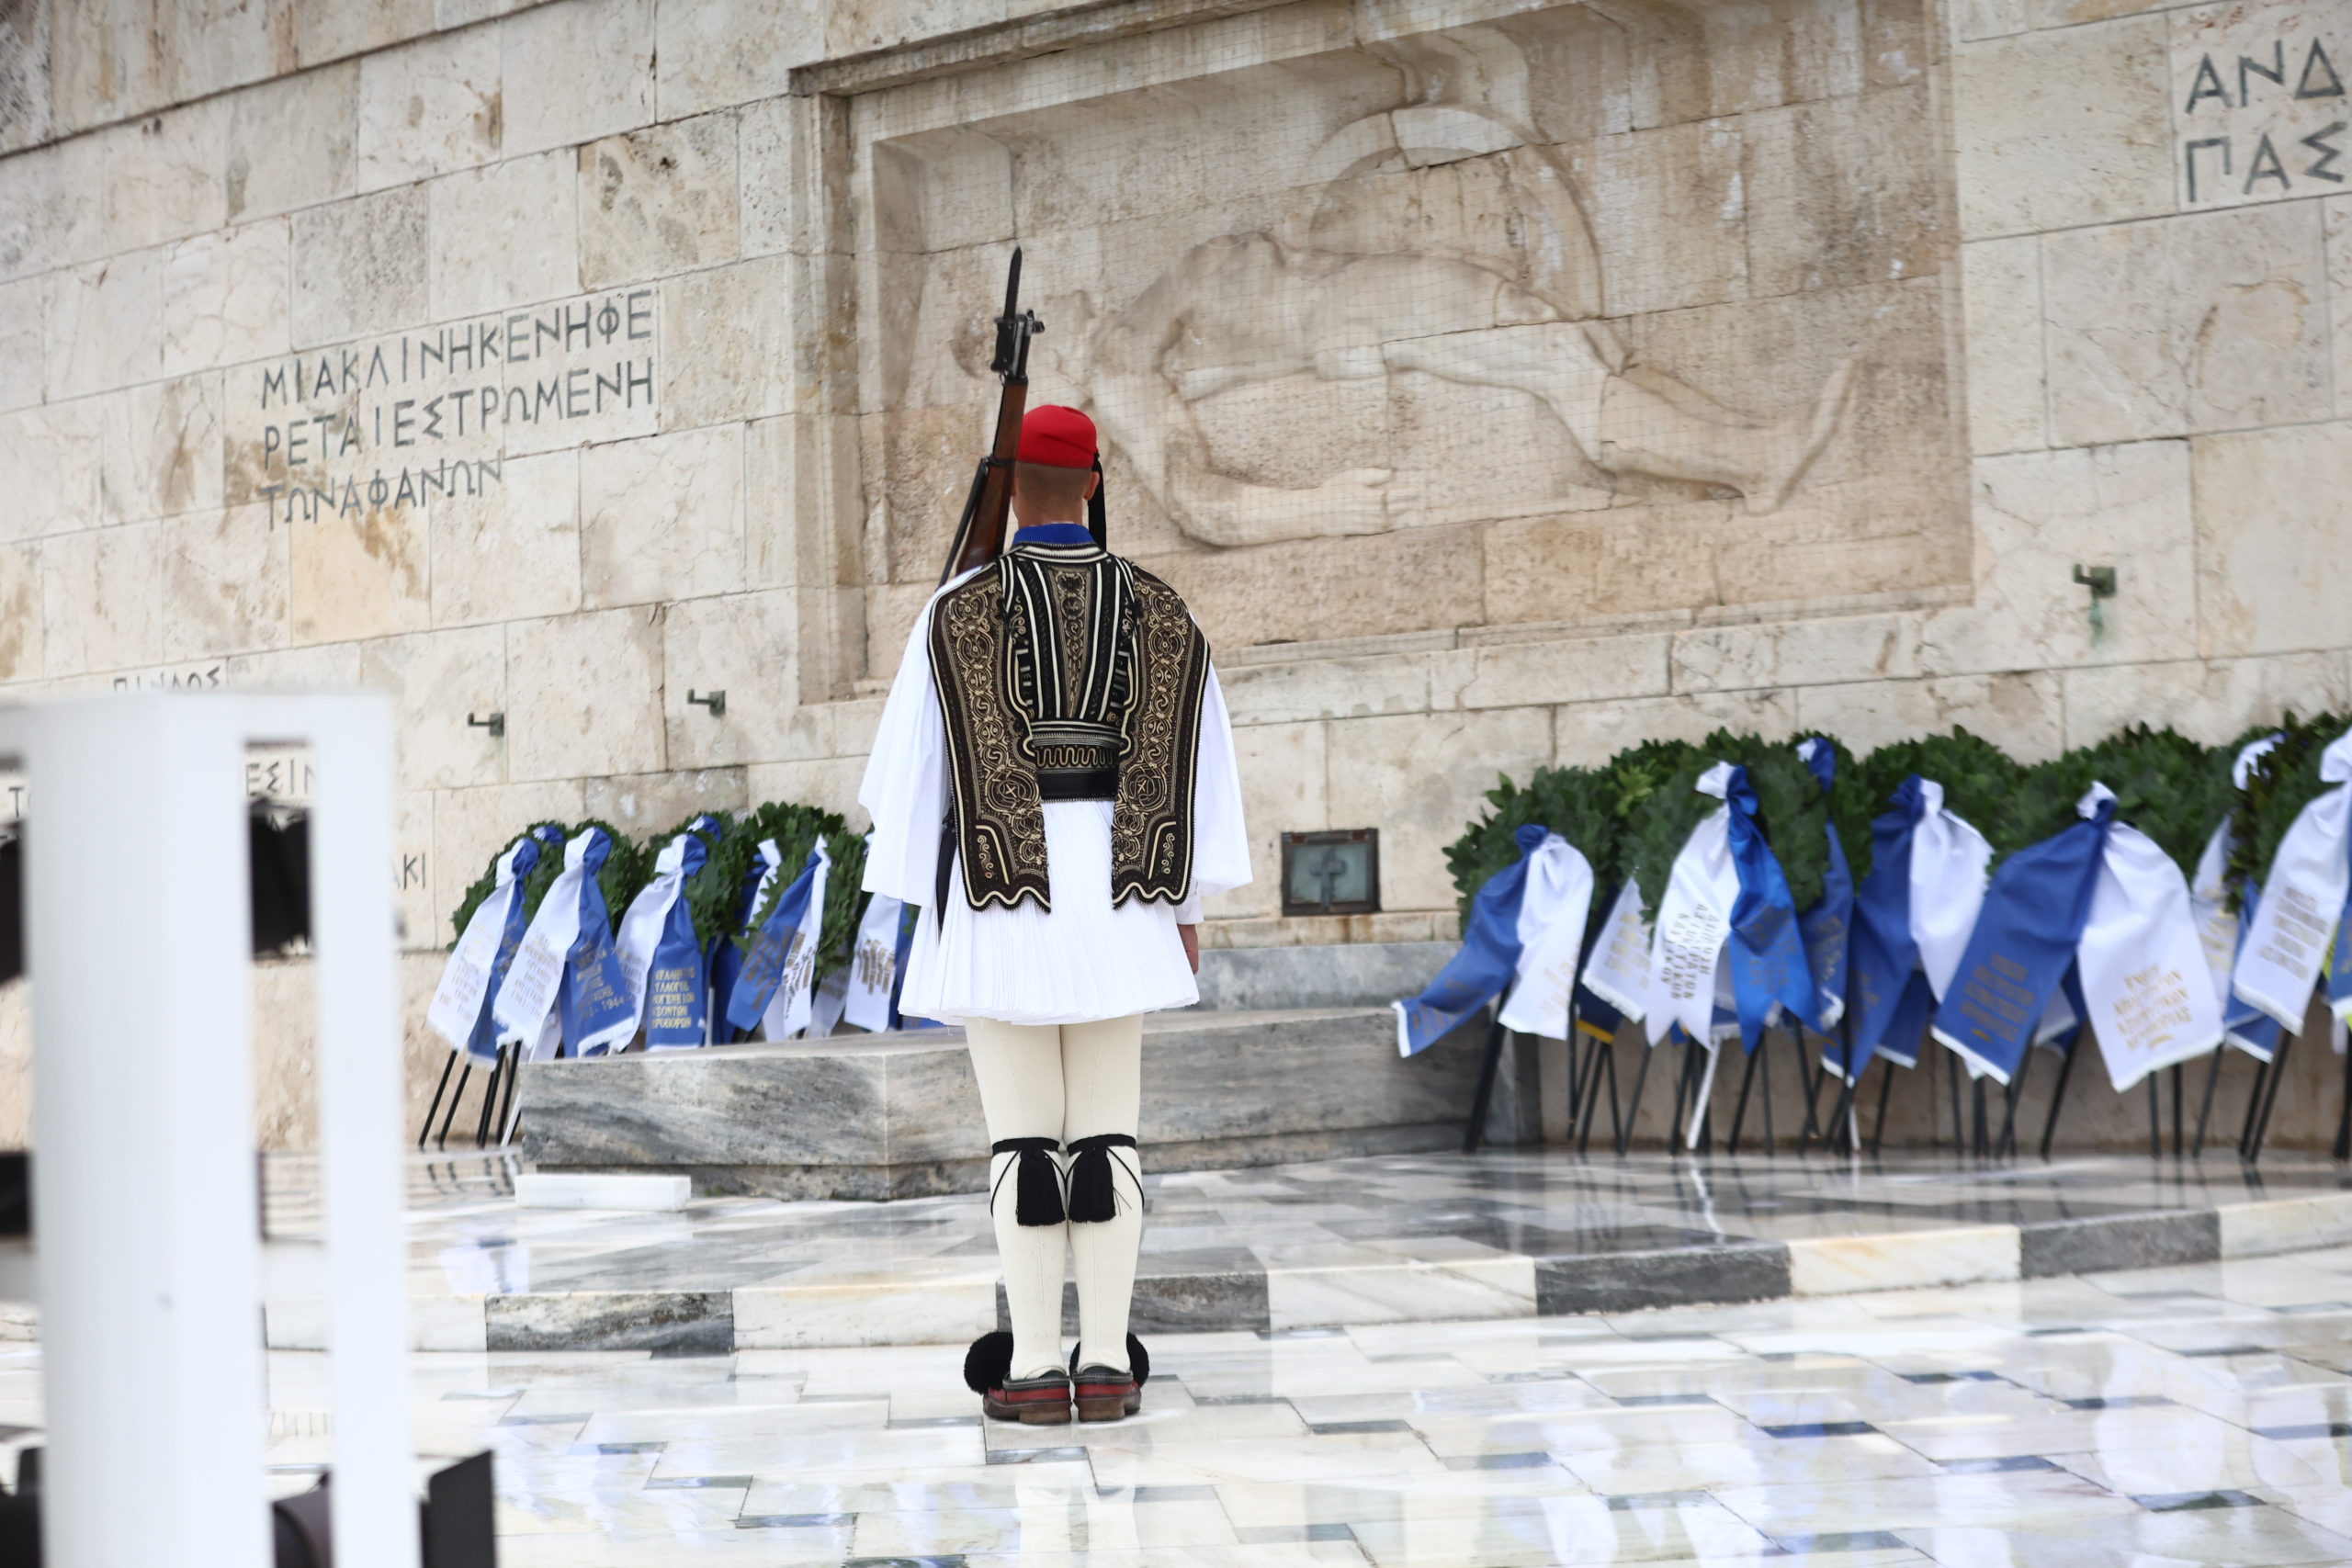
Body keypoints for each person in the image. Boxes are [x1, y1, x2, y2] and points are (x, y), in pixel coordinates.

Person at [858, 404, 1250, 1425]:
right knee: (1108, 1132)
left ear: (1006, 486)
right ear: (1092, 483)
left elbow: (909, 782)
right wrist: (1189, 899)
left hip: (996, 892)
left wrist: (916, 903)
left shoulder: (956, 611)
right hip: (1124, 896)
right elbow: (1197, 769)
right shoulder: (1162, 609)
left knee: (1023, 1141)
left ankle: (1034, 1366)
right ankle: (1111, 1359)